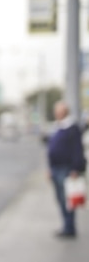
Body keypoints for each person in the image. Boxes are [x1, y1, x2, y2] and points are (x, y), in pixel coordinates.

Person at [47, 100, 87, 238]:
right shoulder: (57, 127)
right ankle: (66, 225)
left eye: (59, 110)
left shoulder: (72, 127)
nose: (56, 113)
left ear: (64, 112)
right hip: (56, 168)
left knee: (67, 200)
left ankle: (69, 228)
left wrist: (76, 169)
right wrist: (50, 168)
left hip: (67, 169)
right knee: (60, 199)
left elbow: (77, 149)